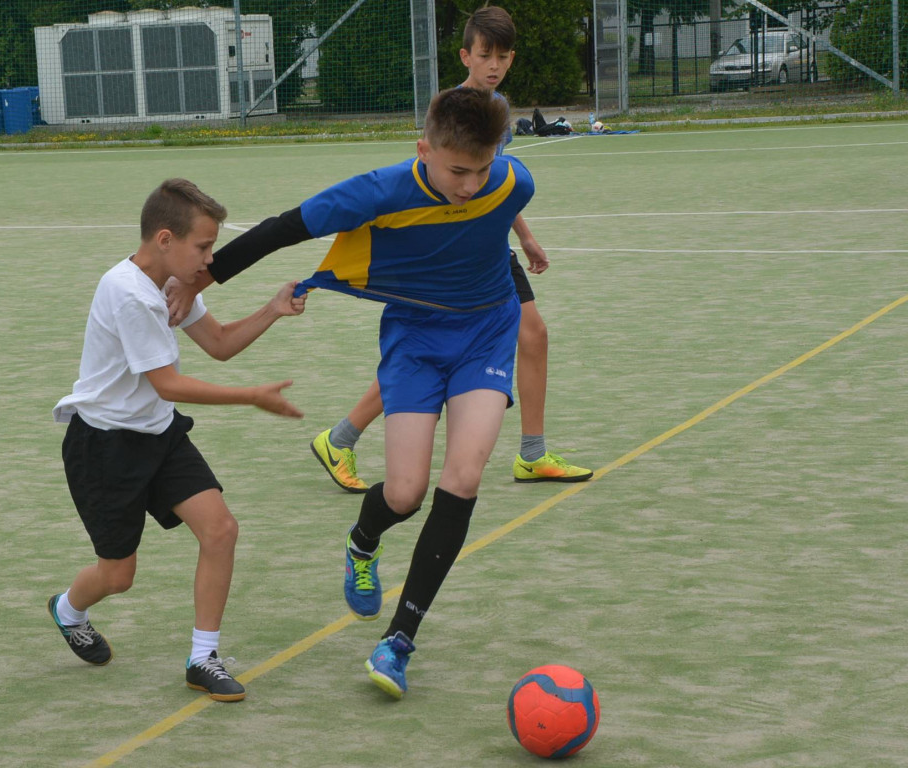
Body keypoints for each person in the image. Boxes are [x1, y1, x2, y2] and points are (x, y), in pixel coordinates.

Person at [168, 86, 540, 699]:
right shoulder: (379, 190)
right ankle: (363, 540)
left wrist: (524, 241)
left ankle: (399, 640)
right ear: (423, 150)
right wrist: (204, 278)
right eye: (456, 171)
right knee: (405, 492)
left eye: (482, 169)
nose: (471, 185)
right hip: (415, 342)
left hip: (486, 335)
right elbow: (285, 228)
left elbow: (496, 209)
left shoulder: (513, 182)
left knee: (464, 477)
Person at [309, 4, 592, 494]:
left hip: (486, 244)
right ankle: (343, 437)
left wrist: (523, 234)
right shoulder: (451, 108)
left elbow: (493, 184)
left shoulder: (497, 108)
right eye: (486, 54)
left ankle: (530, 450)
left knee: (528, 336)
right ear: (466, 55)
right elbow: (433, 181)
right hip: (454, 248)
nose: (494, 64)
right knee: (434, 353)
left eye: (503, 56)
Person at [48, 178, 305, 703]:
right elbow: (167, 383)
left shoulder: (172, 284)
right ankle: (68, 610)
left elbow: (219, 344)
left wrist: (272, 309)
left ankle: (202, 658)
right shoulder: (127, 293)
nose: (210, 261)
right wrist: (252, 396)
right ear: (165, 238)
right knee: (118, 576)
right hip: (104, 447)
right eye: (204, 248)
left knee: (221, 530)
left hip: (159, 434)